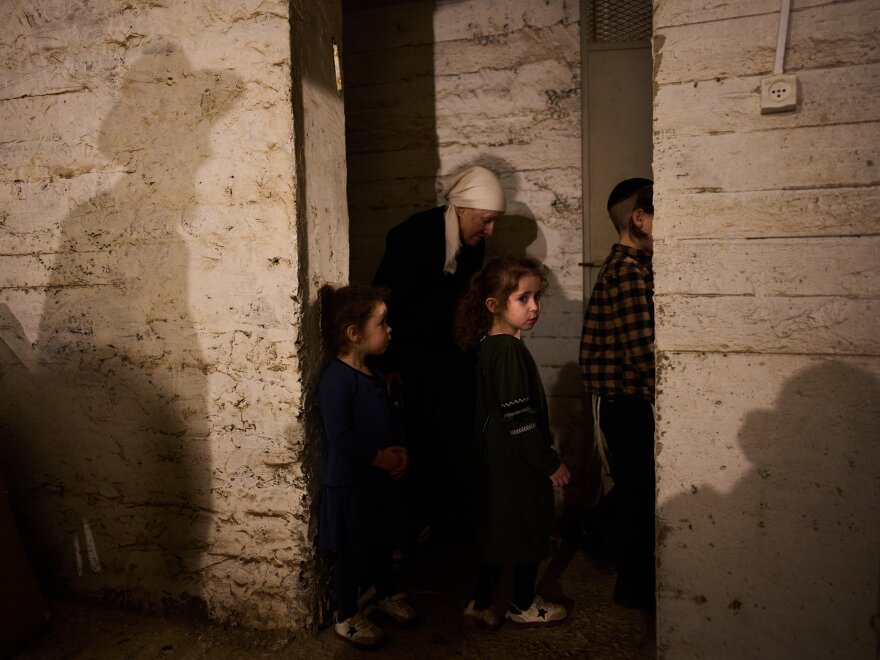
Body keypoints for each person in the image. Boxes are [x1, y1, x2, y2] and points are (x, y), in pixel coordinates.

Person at [373, 165, 506, 541]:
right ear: (462, 209)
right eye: (486, 220)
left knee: (458, 439)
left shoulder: (472, 247)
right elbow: (387, 301)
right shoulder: (412, 236)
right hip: (412, 360)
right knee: (423, 441)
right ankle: (421, 527)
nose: (490, 230)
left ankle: (453, 526)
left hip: (452, 358)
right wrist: (387, 365)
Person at [454, 256, 572, 628]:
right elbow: (518, 417)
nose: (534, 307)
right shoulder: (506, 350)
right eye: (523, 298)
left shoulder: (491, 345)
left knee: (503, 531)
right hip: (515, 464)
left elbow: (510, 411)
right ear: (494, 305)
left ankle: (479, 602)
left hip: (502, 459)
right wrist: (548, 461)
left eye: (537, 297)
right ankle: (523, 604)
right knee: (526, 531)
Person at [316, 284, 417, 648]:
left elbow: (391, 418)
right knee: (350, 553)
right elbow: (340, 435)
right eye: (382, 323)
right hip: (351, 483)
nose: (390, 330)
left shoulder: (373, 374)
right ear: (354, 334)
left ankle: (383, 594)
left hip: (377, 480)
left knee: (380, 541)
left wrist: (401, 450)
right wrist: (379, 457)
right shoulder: (336, 380)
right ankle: (346, 616)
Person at [579, 178, 656, 612]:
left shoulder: (637, 266)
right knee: (637, 496)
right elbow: (642, 352)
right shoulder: (627, 272)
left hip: (626, 400)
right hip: (623, 402)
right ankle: (632, 586)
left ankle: (593, 525)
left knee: (635, 489)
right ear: (638, 219)